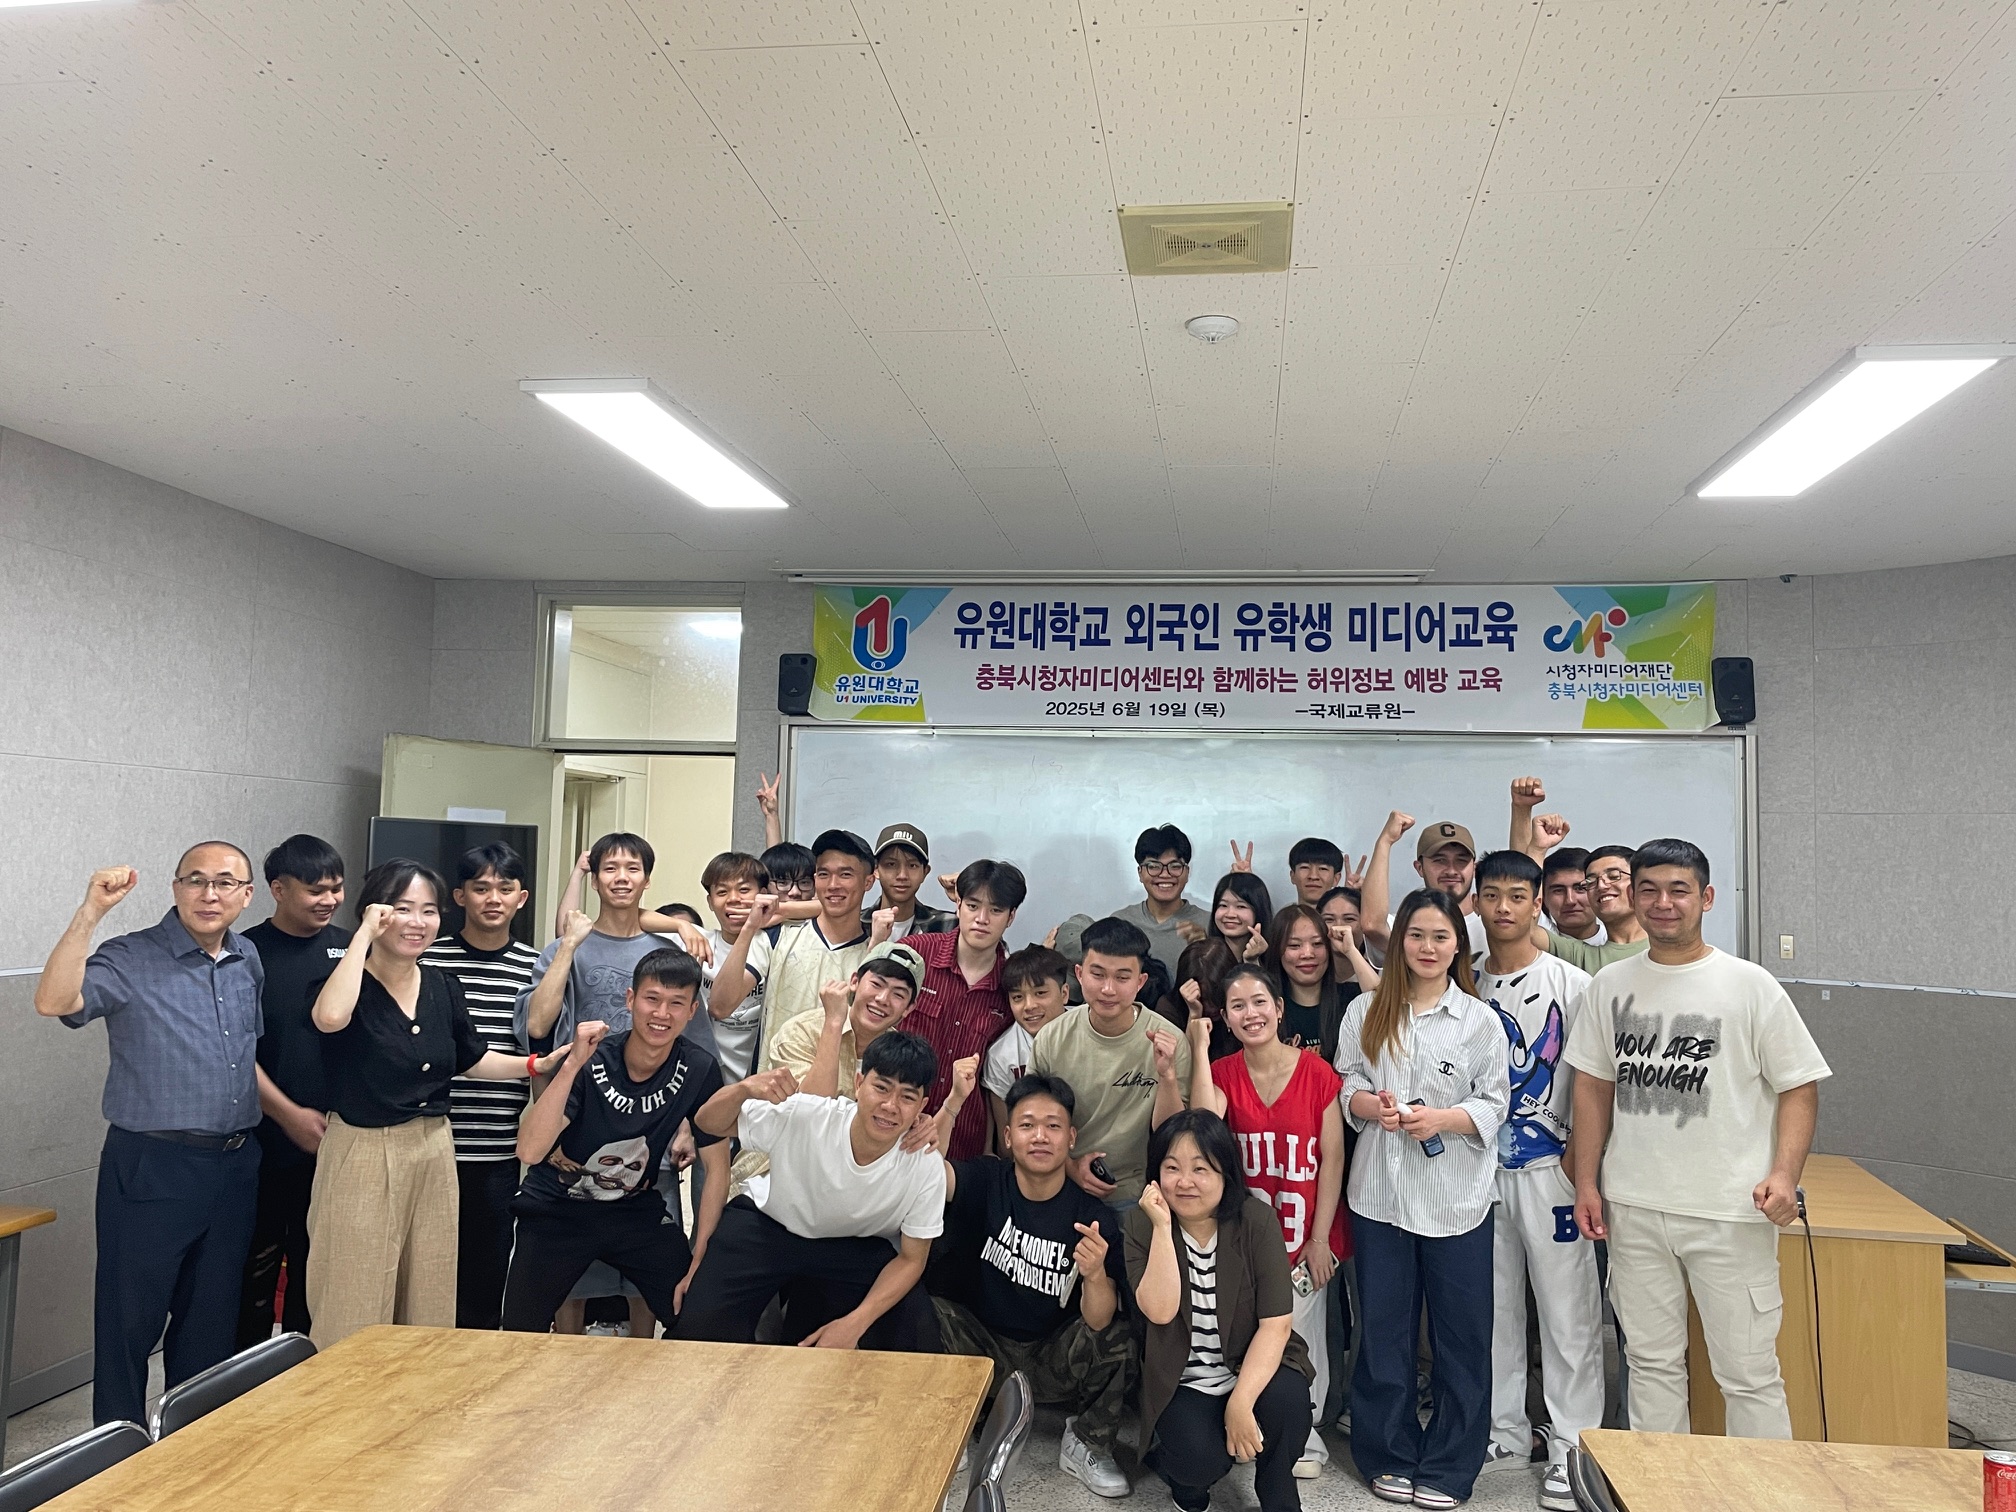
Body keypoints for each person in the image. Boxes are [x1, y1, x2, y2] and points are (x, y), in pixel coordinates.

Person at [1565, 838, 1831, 1441]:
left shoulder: (1749, 985)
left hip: (1729, 1210)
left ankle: (1762, 1491)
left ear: (1706, 898)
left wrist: (1785, 1174)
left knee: (1748, 1374)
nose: (1664, 903)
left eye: (1679, 890)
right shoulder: (1609, 986)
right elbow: (1593, 1087)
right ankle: (1658, 1488)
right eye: (1650, 889)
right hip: (1634, 1206)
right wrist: (1587, 1182)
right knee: (1650, 1365)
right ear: (1633, 897)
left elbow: (1799, 1086)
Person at [35, 847, 265, 1426]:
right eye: (196, 880)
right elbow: (54, 1001)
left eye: (225, 882)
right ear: (175, 887)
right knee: (129, 1320)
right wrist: (90, 913)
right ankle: (118, 1451)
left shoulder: (247, 957)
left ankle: (193, 1447)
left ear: (247, 895)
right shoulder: (130, 956)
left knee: (210, 1322)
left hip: (235, 1163)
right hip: (152, 1162)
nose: (209, 894)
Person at [306, 860, 561, 1348]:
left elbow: (472, 1059)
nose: (418, 922)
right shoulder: (345, 982)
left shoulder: (442, 984)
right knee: (354, 1288)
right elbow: (331, 1018)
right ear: (375, 912)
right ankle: (347, 1391)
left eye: (429, 911)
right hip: (363, 1150)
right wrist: (362, 936)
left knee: (429, 1288)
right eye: (402, 909)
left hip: (434, 1148)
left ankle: (416, 1389)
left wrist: (536, 1064)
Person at [1336, 889, 1509, 1511]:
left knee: (1462, 1337)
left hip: (1457, 1200)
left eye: (1440, 936)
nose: (1427, 947)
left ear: (1458, 944)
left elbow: (1495, 1102)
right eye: (1416, 935)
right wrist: (1371, 1107)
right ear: (1398, 940)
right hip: (1379, 1197)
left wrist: (1441, 1119)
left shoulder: (1479, 1021)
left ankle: (1451, 1464)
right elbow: (1347, 1083)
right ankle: (1387, 1453)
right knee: (1384, 1332)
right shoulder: (1365, 1010)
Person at [932, 1072, 1138, 1499]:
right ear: (1008, 1137)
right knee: (924, 1310)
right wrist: (952, 1104)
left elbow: (1100, 1323)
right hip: (982, 1351)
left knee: (1119, 1336)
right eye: (1027, 1125)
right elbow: (929, 1173)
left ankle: (1087, 1443)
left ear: (1071, 1137)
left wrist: (1094, 1273)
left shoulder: (1091, 1215)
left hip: (1051, 1358)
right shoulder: (987, 1179)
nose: (1040, 1136)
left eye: (1052, 1126)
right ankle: (954, 1427)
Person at [501, 951, 729, 1334]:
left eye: (676, 1003)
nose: (662, 1014)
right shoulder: (592, 1059)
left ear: (693, 1011)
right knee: (519, 1331)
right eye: (652, 999)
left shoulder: (699, 1068)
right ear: (630, 999)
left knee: (701, 1316)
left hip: (633, 1210)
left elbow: (718, 1167)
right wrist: (571, 1065)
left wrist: (700, 1257)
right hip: (556, 1208)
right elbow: (529, 1150)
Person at [1470, 852, 1599, 1511]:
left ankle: (1575, 1444)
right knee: (1493, 1310)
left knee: (1567, 1311)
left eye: (1517, 895)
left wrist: (1584, 1169)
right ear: (1476, 902)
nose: (1503, 908)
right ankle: (1505, 1433)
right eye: (1492, 895)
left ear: (1537, 902)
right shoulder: (1464, 979)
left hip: (1552, 1171)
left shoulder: (1572, 985)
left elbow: (1595, 1086)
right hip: (1477, 1171)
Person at [679, 1033, 946, 1351]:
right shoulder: (809, 1114)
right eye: (881, 1088)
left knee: (915, 1336)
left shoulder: (925, 1164)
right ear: (859, 1083)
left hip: (852, 1246)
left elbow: (912, 1259)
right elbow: (708, 1122)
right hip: (769, 1225)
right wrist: (744, 1089)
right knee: (698, 1331)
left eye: (907, 1097)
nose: (890, 1106)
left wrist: (854, 1324)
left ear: (922, 1106)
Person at [1186, 966, 1348, 1481]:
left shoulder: (1318, 1074)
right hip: (1244, 1240)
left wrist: (1320, 1238)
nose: (1250, 1013)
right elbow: (1201, 1126)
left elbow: (1333, 1158)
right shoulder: (1223, 1073)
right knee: (1249, 1334)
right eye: (1237, 1006)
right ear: (1226, 1018)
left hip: (1305, 1235)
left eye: (1259, 1002)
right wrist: (1198, 1047)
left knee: (1303, 1336)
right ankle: (1253, 1426)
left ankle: (1306, 1435)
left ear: (1279, 1009)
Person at [1127, 1109, 1314, 1512]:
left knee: (1289, 1402)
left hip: (1250, 1364)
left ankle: (1277, 1488)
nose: (1185, 1181)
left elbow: (1276, 1325)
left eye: (1201, 1168)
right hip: (1184, 1379)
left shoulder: (1255, 1220)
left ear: (1225, 1173)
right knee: (1198, 1460)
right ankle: (1186, 1486)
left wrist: (1240, 1403)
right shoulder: (1141, 1225)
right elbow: (1159, 1312)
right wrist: (1162, 1228)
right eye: (1171, 1168)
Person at [420, 842, 542, 1331]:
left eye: (505, 888)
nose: (493, 898)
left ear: (521, 898)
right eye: (481, 888)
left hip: (499, 1148)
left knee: (486, 1273)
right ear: (459, 896)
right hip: (431, 1142)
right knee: (426, 1269)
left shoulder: (536, 966)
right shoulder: (428, 959)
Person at [237, 833, 349, 1347]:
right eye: (316, 890)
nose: (329, 900)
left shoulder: (352, 947)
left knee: (319, 1266)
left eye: (336, 888)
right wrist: (288, 1115)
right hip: (262, 1137)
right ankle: (248, 1375)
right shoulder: (246, 952)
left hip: (336, 1137)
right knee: (255, 1267)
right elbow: (234, 1053)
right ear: (278, 889)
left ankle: (308, 1370)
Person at [1030, 917, 1190, 1208]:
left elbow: (1173, 1134)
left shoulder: (1169, 1041)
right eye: (1098, 974)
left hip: (1140, 1193)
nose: (1108, 989)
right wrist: (1069, 1166)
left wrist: (1166, 1076)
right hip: (1060, 1182)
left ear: (1140, 982)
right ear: (1079, 974)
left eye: (1122, 978)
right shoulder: (1051, 1038)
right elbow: (1030, 1118)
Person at [519, 833, 716, 1057]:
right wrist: (567, 946)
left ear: (647, 880)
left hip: (656, 1077)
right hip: (580, 1075)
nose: (622, 877)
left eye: (632, 869)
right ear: (594, 880)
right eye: (610, 869)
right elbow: (536, 1026)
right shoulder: (563, 950)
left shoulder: (668, 954)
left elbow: (698, 1045)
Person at [711, 829, 878, 1072]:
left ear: (868, 882)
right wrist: (749, 928)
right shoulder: (776, 936)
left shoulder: (875, 951)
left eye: (845, 874)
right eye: (824, 874)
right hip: (774, 1088)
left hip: (844, 1093)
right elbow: (720, 1006)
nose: (833, 885)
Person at [909, 859, 1021, 1160]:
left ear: (1011, 917)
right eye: (972, 906)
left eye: (995, 910)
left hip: (963, 1146)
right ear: (958, 904)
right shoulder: (917, 953)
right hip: (897, 1129)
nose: (982, 919)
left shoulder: (1011, 987)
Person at [984, 945, 1074, 1149]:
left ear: (1064, 993)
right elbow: (1007, 1140)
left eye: (1040, 993)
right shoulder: (1001, 1055)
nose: (1029, 1005)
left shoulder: (1089, 1028)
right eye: (1018, 997)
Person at [1361, 813, 1487, 959]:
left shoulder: (1492, 927)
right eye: (1440, 860)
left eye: (1461, 860)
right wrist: (1385, 841)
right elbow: (1372, 925)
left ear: (1474, 868)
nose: (1451, 870)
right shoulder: (1407, 926)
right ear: (1419, 868)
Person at [694, 850, 771, 1082]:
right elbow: (633, 918)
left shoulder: (771, 942)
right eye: (721, 892)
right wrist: (680, 926)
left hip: (760, 1072)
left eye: (744, 890)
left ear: (763, 895)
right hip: (707, 1074)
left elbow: (826, 909)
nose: (734, 899)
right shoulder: (699, 941)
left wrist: (772, 914)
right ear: (710, 902)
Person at [1113, 824, 1211, 980]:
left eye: (1175, 866)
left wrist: (1207, 949)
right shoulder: (1120, 923)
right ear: (1140, 873)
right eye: (1153, 866)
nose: (1165, 874)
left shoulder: (1209, 924)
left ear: (1187, 872)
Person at [1537, 844, 1647, 973]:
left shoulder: (1665, 943)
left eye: (1613, 876)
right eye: (1591, 882)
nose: (1601, 886)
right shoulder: (1581, 956)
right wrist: (1537, 849)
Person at [1266, 904, 1349, 1060]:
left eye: (1317, 943)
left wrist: (1350, 951)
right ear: (1277, 951)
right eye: (1294, 945)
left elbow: (1385, 1005)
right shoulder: (1266, 1009)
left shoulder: (1351, 998)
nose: (1307, 954)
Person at [867, 822, 953, 938]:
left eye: (912, 865)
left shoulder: (948, 925)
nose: (902, 875)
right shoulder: (855, 924)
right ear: (876, 869)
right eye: (891, 864)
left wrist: (964, 895)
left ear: (925, 872)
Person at [1316, 886, 1379, 995]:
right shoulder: (1310, 969)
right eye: (1329, 919)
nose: (1338, 927)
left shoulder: (1382, 969)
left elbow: (1379, 1000)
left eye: (1349, 919)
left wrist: (1350, 951)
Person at [1206, 871, 1274, 964]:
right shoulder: (1203, 957)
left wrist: (1252, 961)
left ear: (1259, 910)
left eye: (1241, 906)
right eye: (1223, 905)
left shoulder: (1275, 960)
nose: (1230, 914)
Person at [1541, 849, 1603, 944]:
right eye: (1558, 890)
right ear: (1543, 898)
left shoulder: (1622, 943)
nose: (1570, 900)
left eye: (1580, 888)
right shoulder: (1535, 944)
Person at [1286, 837, 1347, 907]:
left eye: (1323, 868)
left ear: (1336, 879)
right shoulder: (1284, 914)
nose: (1313, 876)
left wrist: (1354, 898)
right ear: (1292, 876)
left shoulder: (1352, 913)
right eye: (1305, 867)